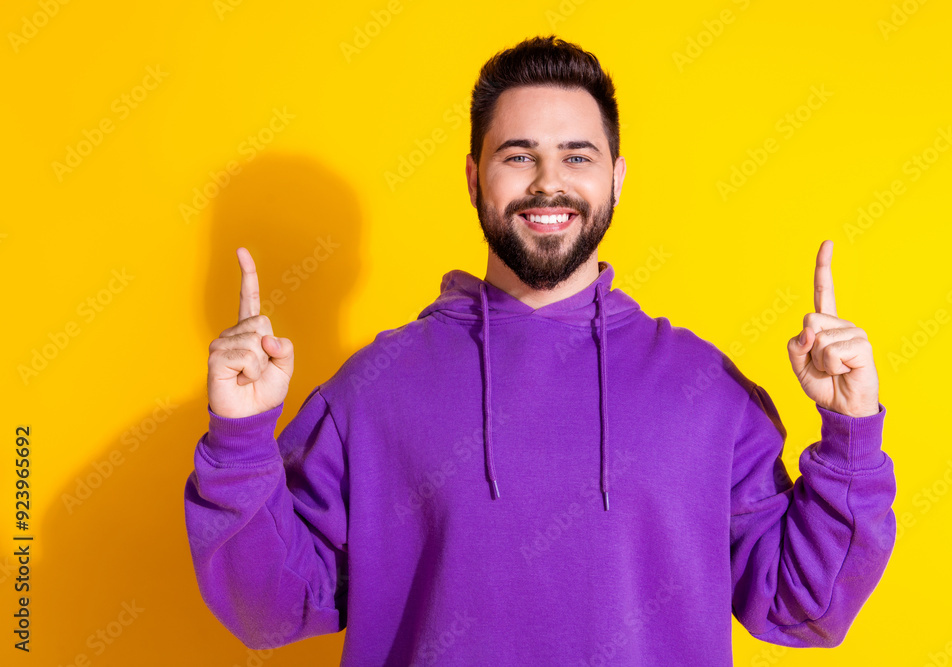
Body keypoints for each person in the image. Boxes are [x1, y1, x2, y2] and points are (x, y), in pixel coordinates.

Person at [183, 35, 894, 666]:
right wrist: (242, 439)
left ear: (616, 178)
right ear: (472, 178)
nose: (548, 183)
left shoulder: (705, 389)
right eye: (517, 155)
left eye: (576, 156)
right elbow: (269, 610)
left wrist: (851, 437)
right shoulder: (373, 390)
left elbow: (804, 606)